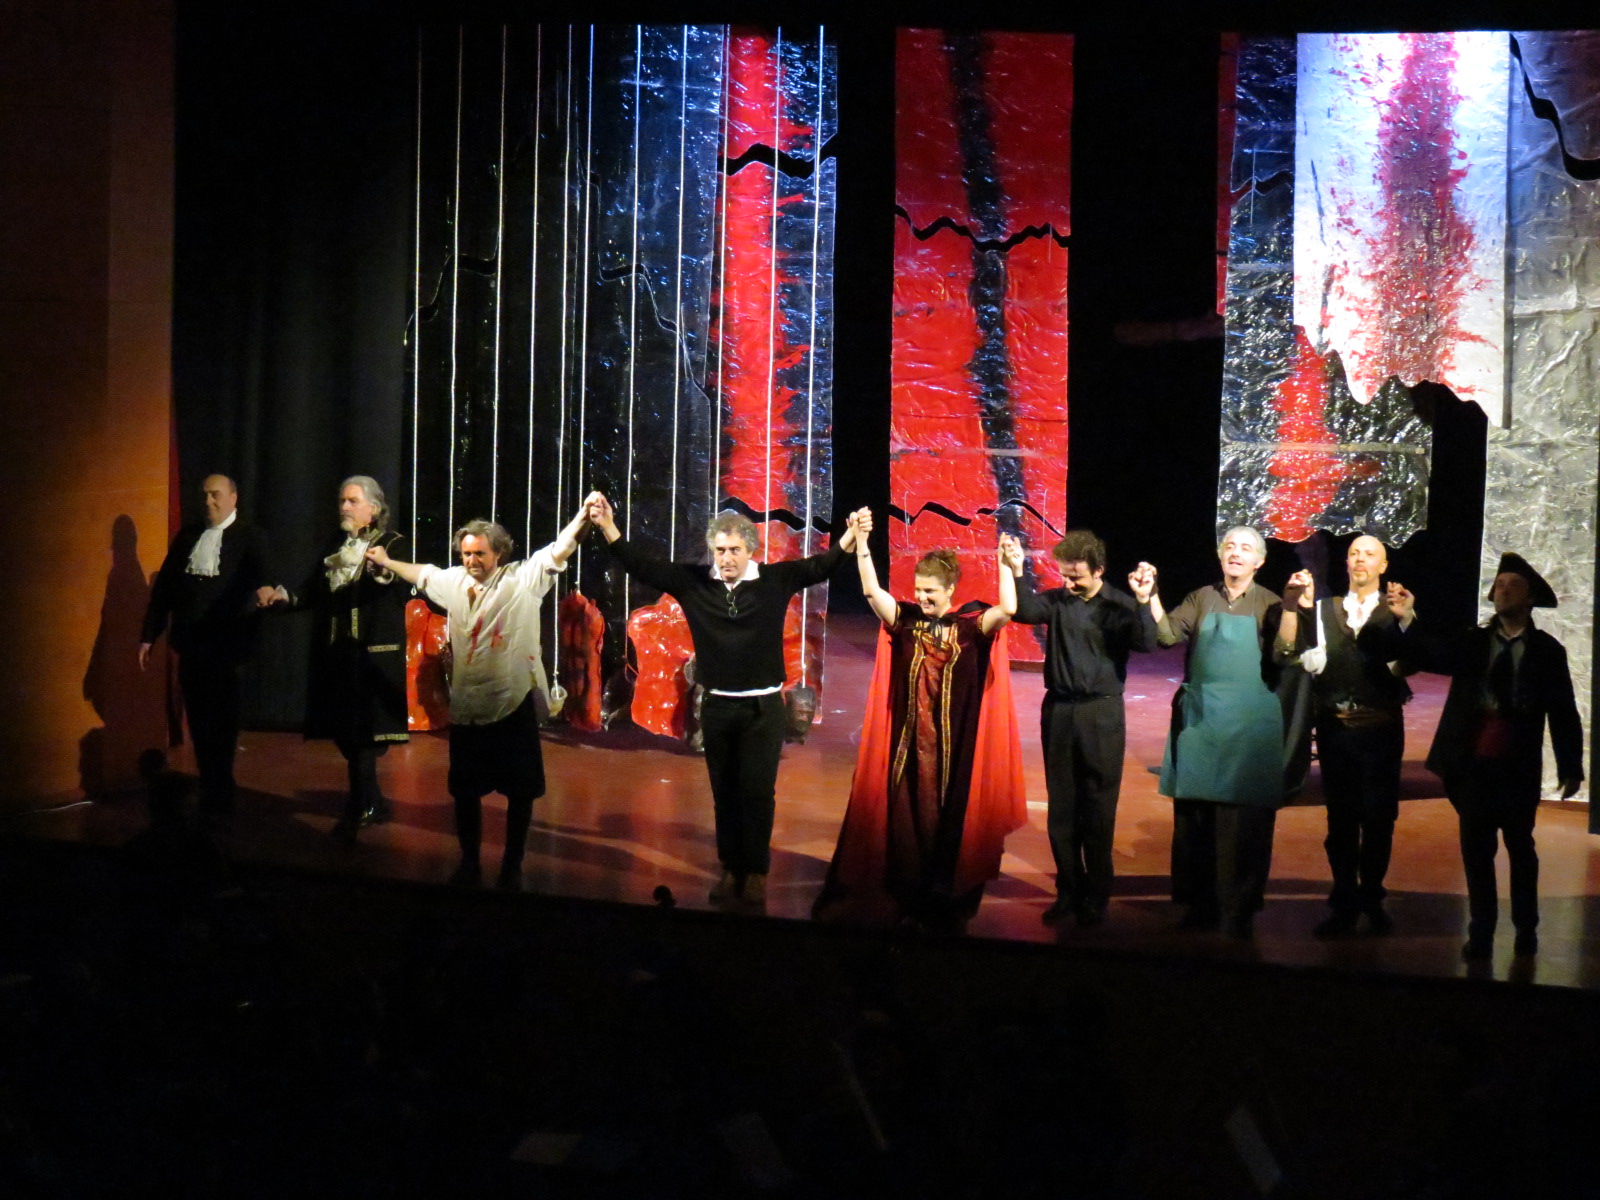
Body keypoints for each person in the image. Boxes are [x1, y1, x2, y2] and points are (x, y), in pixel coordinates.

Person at [588, 492, 861, 907]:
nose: (726, 558)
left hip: (762, 709)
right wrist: (608, 526)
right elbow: (641, 566)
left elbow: (822, 566)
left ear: (750, 549)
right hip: (717, 707)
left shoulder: (774, 581)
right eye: (720, 550)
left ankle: (755, 873)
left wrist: (851, 536)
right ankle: (731, 868)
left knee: (757, 793)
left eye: (734, 550)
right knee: (725, 793)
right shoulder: (695, 583)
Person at [813, 513, 1025, 929]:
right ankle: (909, 895)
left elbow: (1009, 609)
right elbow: (871, 591)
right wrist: (862, 544)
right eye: (918, 590)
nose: (922, 597)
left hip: (954, 749)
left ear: (950, 590)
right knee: (908, 820)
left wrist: (1004, 565)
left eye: (930, 591)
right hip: (909, 746)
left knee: (949, 821)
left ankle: (945, 899)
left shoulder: (971, 627)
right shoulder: (906, 622)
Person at [368, 504, 589, 889]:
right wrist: (387, 562)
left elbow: (562, 547)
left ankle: (512, 866)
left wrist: (585, 516)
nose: (471, 560)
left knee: (520, 793)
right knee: (465, 792)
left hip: (510, 704)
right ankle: (469, 863)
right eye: (466, 553)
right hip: (468, 708)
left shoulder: (522, 580)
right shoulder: (455, 582)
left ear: (498, 553)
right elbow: (423, 573)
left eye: (479, 553)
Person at [1404, 553, 1582, 960]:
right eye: (1499, 585)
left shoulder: (1546, 650)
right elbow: (1431, 652)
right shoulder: (1474, 641)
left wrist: (1570, 766)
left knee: (1521, 847)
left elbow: (1563, 710)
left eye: (1513, 585)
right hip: (1473, 764)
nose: (1503, 591)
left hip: (1517, 766)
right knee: (1477, 850)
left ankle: (1526, 927)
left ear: (1530, 597)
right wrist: (1407, 618)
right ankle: (1481, 931)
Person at [1001, 529, 1156, 927]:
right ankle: (1068, 891)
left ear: (1099, 570)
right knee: (1063, 810)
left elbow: (1146, 642)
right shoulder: (1058, 601)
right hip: (1059, 712)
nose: (1069, 583)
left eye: (1077, 577)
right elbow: (1023, 611)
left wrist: (1143, 601)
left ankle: (1096, 895)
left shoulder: (1119, 605)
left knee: (1098, 809)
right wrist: (1016, 570)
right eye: (1065, 575)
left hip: (1101, 714)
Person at [1151, 526, 1299, 938]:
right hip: (1202, 724)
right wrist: (1150, 597)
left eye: (1245, 548)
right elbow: (1166, 635)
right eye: (1230, 546)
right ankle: (1200, 906)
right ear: (1220, 555)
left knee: (1244, 825)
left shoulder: (1269, 603)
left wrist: (1290, 607)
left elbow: (1285, 653)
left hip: (1248, 729)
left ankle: (1239, 909)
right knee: (1197, 822)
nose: (1236, 552)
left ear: (1260, 561)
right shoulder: (1201, 597)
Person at [261, 476, 410, 838]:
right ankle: (373, 800)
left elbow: (399, 585)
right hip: (337, 653)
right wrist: (286, 598)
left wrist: (383, 571)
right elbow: (314, 590)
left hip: (370, 655)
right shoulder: (336, 546)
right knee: (345, 733)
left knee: (362, 735)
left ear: (373, 508)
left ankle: (360, 806)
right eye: (342, 500)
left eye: (352, 501)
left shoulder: (392, 543)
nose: (344, 507)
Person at [1280, 535, 1412, 937]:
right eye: (1354, 553)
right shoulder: (1326, 610)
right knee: (1340, 821)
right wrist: (1302, 615)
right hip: (1337, 731)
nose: (1360, 559)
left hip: (1381, 732)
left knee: (1379, 820)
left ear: (1383, 566)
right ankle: (1344, 902)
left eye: (1369, 554)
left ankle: (1371, 898)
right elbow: (1310, 662)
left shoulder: (1395, 610)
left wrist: (1405, 621)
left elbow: (1404, 667)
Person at [140, 474, 270, 813]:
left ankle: (220, 785)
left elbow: (265, 576)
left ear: (233, 498)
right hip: (192, 646)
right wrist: (149, 634)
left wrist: (268, 591)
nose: (208, 502)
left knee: (223, 722)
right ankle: (211, 782)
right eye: (204, 496)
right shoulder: (187, 536)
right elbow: (165, 590)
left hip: (227, 649)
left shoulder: (250, 536)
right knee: (198, 719)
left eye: (215, 495)